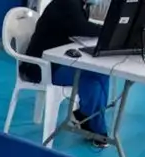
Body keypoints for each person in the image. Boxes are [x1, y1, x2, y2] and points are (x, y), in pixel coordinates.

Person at [21, 0, 110, 148]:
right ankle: (94, 125)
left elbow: (78, 28)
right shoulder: (67, 3)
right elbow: (80, 27)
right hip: (41, 67)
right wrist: (108, 31)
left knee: (102, 73)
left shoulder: (80, 5)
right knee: (91, 79)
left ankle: (89, 119)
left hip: (59, 59)